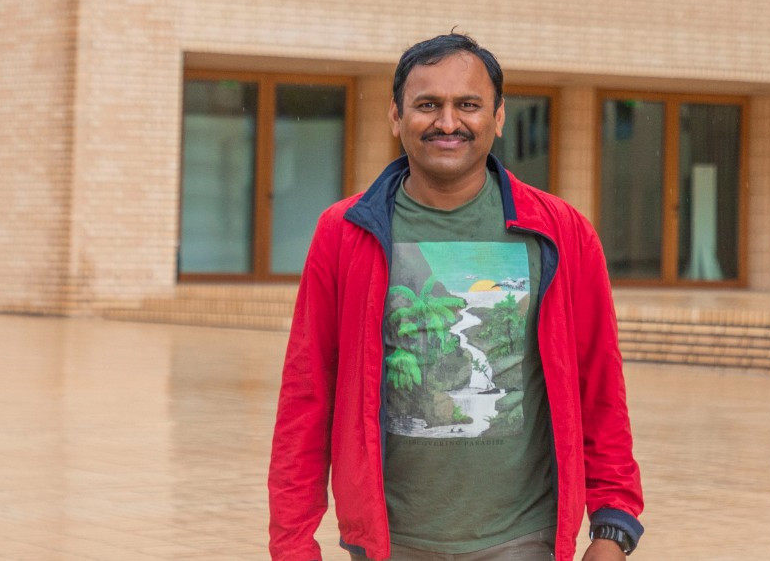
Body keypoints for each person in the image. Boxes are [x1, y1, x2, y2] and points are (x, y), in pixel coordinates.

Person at [268, 33, 644, 561]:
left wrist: (613, 525)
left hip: (524, 541)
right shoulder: (345, 233)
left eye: (467, 104)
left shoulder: (561, 232)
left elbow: (600, 384)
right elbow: (307, 397)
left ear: (498, 117)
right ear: (396, 117)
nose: (448, 122)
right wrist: (292, 544)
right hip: (388, 543)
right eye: (428, 105)